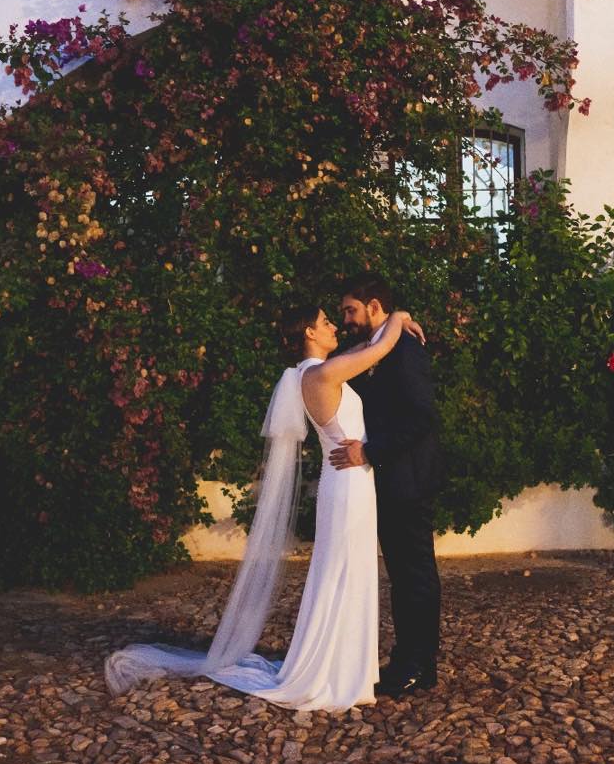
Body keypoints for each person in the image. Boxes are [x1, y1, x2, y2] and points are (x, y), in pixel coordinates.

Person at [104, 303, 423, 711]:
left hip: (349, 483)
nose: (333, 327)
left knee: (346, 573)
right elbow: (378, 351)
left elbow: (367, 346)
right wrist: (399, 317)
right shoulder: (323, 374)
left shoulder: (315, 371)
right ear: (309, 331)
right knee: (342, 575)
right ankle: (332, 672)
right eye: (326, 321)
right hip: (347, 488)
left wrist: (386, 328)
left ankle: (343, 667)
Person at [332, 273, 444, 699]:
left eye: (351, 310)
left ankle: (420, 665)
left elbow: (421, 416)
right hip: (391, 481)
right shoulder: (376, 346)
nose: (346, 319)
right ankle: (405, 658)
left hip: (409, 478)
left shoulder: (406, 351)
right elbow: (341, 363)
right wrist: (398, 317)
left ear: (374, 307)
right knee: (401, 573)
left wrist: (369, 452)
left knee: (415, 573)